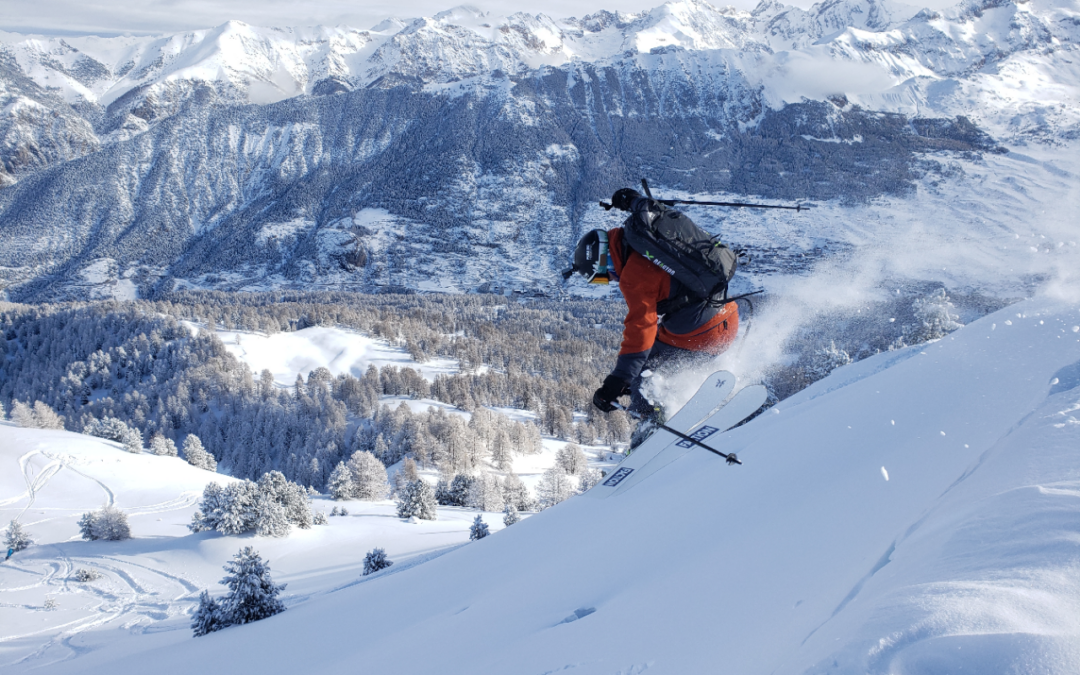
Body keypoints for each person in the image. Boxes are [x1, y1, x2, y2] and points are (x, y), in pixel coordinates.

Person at [565, 188, 740, 446]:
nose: (611, 280)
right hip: (727, 315)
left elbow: (641, 331)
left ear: (605, 261)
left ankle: (651, 429)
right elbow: (654, 209)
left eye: (603, 275)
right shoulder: (646, 235)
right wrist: (632, 199)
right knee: (655, 365)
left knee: (644, 368)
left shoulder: (633, 274)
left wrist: (618, 381)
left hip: (702, 331)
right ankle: (715, 402)